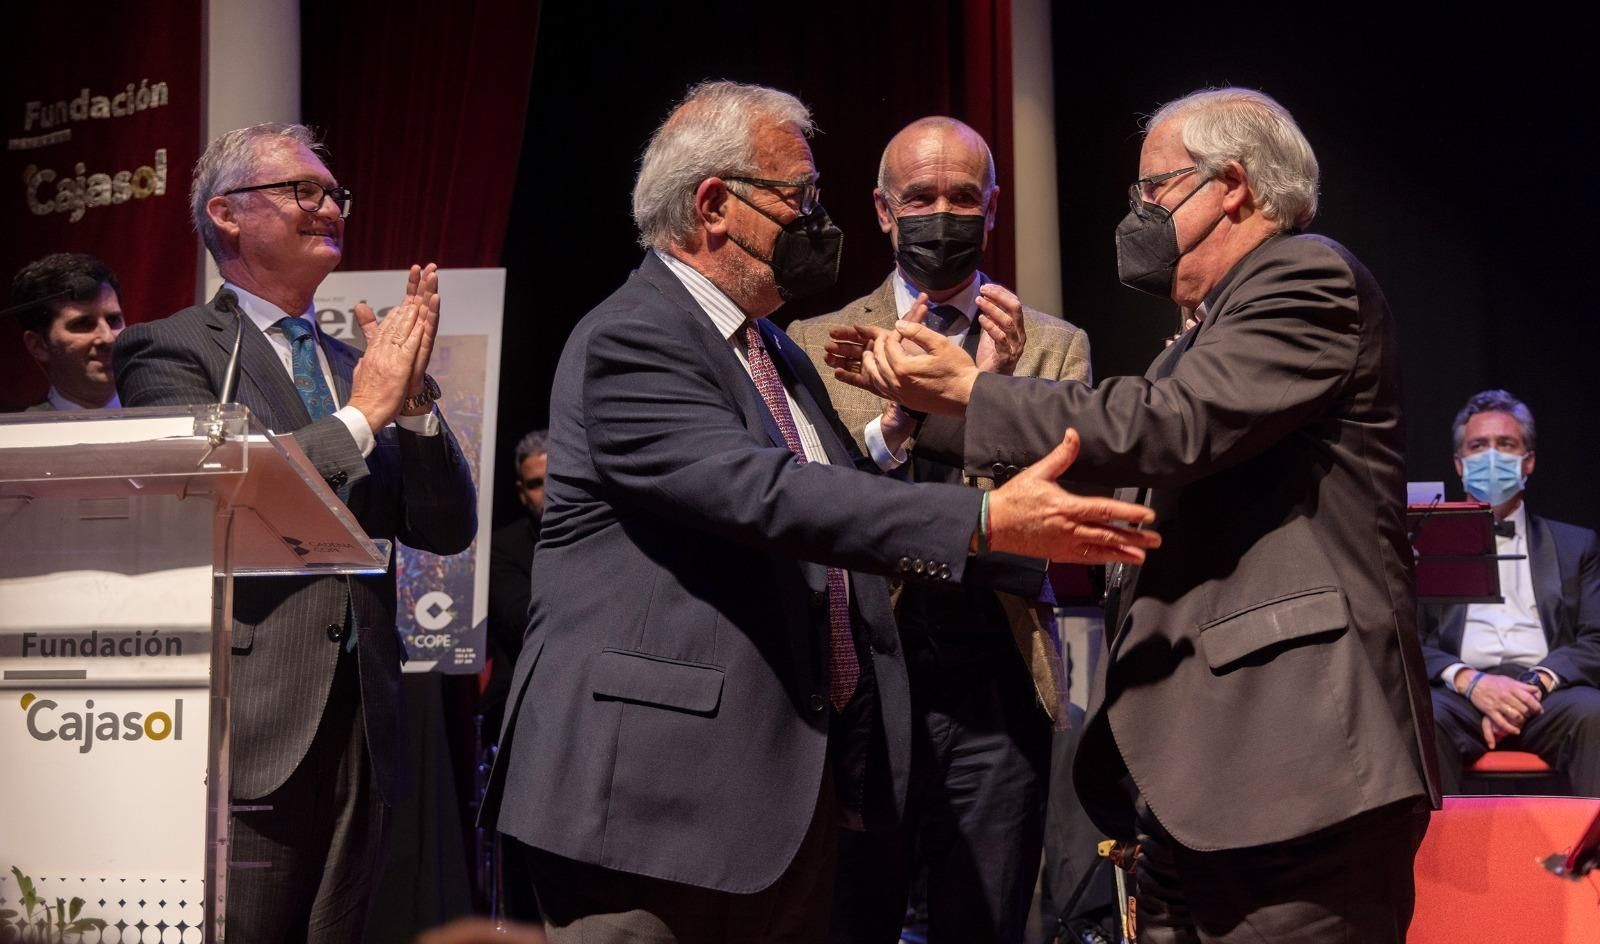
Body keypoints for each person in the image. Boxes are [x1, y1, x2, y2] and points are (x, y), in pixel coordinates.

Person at [484, 80, 1160, 944]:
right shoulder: (634, 335)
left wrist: (936, 414)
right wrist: (983, 520)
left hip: (777, 794)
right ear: (714, 206)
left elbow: (843, 482)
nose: (817, 220)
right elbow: (767, 493)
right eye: (798, 198)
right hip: (652, 798)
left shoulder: (769, 346)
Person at [825, 87, 1439, 942]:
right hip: (1204, 788)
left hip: (1296, 771)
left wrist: (973, 391)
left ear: (1230, 186)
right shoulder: (1209, 326)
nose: (1138, 215)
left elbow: (1169, 425)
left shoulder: (1305, 275)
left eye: (1153, 190)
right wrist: (941, 416)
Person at [113, 122, 477, 944]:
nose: (329, 207)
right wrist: (365, 415)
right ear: (227, 214)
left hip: (365, 725)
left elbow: (447, 528)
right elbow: (222, 500)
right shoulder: (170, 350)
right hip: (252, 718)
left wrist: (415, 401)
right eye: (301, 190)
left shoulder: (358, 363)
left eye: (334, 193)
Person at [788, 116, 1096, 944]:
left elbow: (1051, 512)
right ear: (883, 211)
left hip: (996, 680)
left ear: (991, 209)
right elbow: (812, 508)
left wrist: (990, 395)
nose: (942, 215)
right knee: (853, 920)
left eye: (963, 197)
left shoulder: (1053, 349)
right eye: (920, 197)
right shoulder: (815, 343)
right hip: (862, 681)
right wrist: (895, 429)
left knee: (986, 922)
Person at [1422, 389, 1600, 796]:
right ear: (1459, 464)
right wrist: (1469, 681)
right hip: (1459, 694)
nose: (1491, 457)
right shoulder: (1423, 544)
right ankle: (1436, 843)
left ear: (1528, 461)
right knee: (1422, 718)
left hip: (1548, 693)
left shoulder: (1576, 545)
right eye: (1478, 446)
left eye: (1505, 444)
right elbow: (1403, 639)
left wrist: (1535, 684)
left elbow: (1596, 638)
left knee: (1596, 715)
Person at [10, 252, 125, 411]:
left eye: (113, 320)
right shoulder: (23, 428)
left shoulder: (158, 412)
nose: (108, 338)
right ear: (39, 345)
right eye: (83, 324)